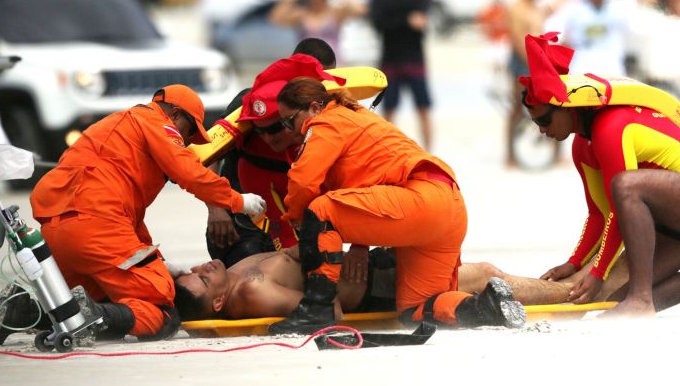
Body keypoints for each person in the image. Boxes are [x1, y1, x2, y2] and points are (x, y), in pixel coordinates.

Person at [268, 77, 525, 334]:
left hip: (419, 201)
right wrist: (359, 243)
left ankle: (317, 311)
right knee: (415, 309)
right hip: (449, 205)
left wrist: (299, 222)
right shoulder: (357, 116)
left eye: (289, 121)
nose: (289, 131)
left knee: (320, 210)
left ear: (314, 107)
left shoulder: (326, 121)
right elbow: (368, 186)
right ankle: (486, 306)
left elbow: (303, 183)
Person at [28, 84, 267, 341]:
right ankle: (94, 316)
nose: (185, 142)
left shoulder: (116, 127)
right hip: (96, 227)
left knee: (96, 297)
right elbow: (189, 172)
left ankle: (27, 313)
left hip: (57, 231)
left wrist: (161, 262)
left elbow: (128, 222)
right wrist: (238, 201)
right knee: (160, 308)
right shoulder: (157, 123)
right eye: (187, 133)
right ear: (175, 115)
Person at [518, 32, 680, 316]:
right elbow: (599, 213)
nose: (542, 130)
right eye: (535, 123)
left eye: (545, 119)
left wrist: (598, 270)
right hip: (674, 218)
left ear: (567, 106)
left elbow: (621, 203)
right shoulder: (582, 146)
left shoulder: (610, 128)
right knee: (615, 297)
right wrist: (575, 262)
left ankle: (641, 299)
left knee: (625, 185)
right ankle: (642, 298)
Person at [204, 46, 343, 266]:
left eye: (322, 82)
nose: (315, 89)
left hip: (292, 219)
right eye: (312, 80)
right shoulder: (252, 103)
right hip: (242, 221)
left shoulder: (324, 109)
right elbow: (208, 153)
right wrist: (216, 208)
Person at [174, 247, 397, 321]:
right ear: (219, 301)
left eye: (193, 270)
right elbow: (329, 308)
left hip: (371, 264)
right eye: (204, 279)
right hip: (378, 284)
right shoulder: (252, 291)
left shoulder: (230, 276)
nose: (202, 268)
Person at [369, 0, 433, 149]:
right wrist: (407, 20)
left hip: (413, 58)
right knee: (389, 110)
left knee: (422, 108)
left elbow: (418, 22)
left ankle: (429, 150)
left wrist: (397, 21)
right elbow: (380, 24)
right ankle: (388, 149)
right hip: (391, 59)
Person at [505, 0, 551, 167]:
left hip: (538, 60)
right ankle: (509, 155)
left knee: (550, 104)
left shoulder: (537, 7)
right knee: (517, 106)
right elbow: (517, 40)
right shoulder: (517, 7)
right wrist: (532, 65)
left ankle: (555, 153)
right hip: (522, 62)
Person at [269, 0, 366, 65]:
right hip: (306, 66)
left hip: (333, 65)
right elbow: (275, 17)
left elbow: (360, 9)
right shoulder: (301, 15)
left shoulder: (335, 13)